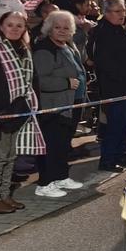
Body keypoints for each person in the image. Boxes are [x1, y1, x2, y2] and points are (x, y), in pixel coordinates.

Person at [0, 10, 46, 212]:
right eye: (10, 25)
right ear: (1, 26)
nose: (15, 29)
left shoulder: (23, 48)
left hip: (19, 108)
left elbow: (32, 79)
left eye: (20, 25)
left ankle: (4, 196)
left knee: (10, 157)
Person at [88, 0, 126, 172]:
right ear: (106, 13)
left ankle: (121, 155)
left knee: (125, 124)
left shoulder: (119, 30)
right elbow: (104, 62)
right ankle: (108, 160)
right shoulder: (102, 32)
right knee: (115, 126)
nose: (122, 14)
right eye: (117, 11)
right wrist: (124, 78)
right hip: (115, 88)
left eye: (123, 10)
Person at [33, 11, 87, 194]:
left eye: (66, 27)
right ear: (49, 28)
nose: (62, 31)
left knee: (63, 144)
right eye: (57, 27)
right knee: (52, 145)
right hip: (53, 107)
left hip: (71, 103)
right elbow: (40, 81)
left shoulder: (68, 46)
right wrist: (65, 83)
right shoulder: (44, 49)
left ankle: (61, 176)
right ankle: (45, 183)